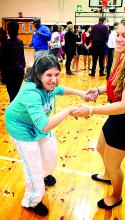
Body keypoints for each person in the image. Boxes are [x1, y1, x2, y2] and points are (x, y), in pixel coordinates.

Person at [71, 15, 125, 209]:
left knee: (114, 164)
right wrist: (99, 90)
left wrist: (90, 110)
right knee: (101, 148)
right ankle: (107, 175)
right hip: (116, 118)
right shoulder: (124, 56)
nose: (118, 39)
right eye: (117, 34)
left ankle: (116, 195)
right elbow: (115, 84)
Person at [5, 54, 87, 216]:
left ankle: (44, 175)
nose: (54, 79)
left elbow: (60, 89)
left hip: (38, 123)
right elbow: (44, 126)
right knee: (33, 166)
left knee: (51, 154)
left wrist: (81, 93)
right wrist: (69, 110)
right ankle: (31, 201)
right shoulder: (31, 92)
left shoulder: (48, 85)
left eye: (56, 74)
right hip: (21, 128)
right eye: (49, 75)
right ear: (38, 75)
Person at [1, 21, 26, 102]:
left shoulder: (5, 44)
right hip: (19, 72)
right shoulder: (20, 42)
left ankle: (13, 109)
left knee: (11, 94)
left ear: (8, 31)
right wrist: (22, 69)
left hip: (9, 73)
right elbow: (22, 58)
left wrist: (3, 75)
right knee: (16, 93)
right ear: (17, 30)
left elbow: (3, 61)